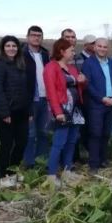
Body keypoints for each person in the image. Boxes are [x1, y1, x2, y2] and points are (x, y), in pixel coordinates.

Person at [44, 39, 86, 184]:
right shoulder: (51, 67)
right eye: (71, 51)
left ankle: (67, 171)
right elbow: (51, 92)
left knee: (72, 141)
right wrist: (57, 111)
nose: (74, 53)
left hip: (75, 110)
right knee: (59, 142)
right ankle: (51, 175)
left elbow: (78, 86)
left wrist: (82, 81)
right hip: (62, 109)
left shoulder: (72, 68)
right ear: (62, 51)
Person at [0, 35, 31, 185]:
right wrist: (5, 112)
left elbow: (26, 90)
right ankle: (4, 176)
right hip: (6, 112)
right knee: (7, 145)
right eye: (8, 46)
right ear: (2, 48)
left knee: (22, 143)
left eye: (14, 46)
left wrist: (30, 111)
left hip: (21, 111)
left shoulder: (20, 64)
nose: (11, 49)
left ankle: (12, 172)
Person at [81, 38, 112, 173]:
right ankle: (93, 164)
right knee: (95, 134)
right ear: (94, 47)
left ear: (108, 48)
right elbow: (88, 85)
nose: (102, 49)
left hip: (111, 103)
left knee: (106, 134)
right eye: (99, 46)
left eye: (105, 47)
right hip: (96, 105)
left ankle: (103, 159)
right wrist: (102, 98)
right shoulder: (88, 63)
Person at [22, 25, 50, 168]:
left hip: (46, 100)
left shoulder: (45, 54)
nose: (36, 38)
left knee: (44, 132)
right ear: (27, 37)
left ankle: (42, 162)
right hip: (30, 100)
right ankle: (29, 164)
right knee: (30, 134)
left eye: (39, 35)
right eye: (33, 35)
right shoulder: (22, 55)